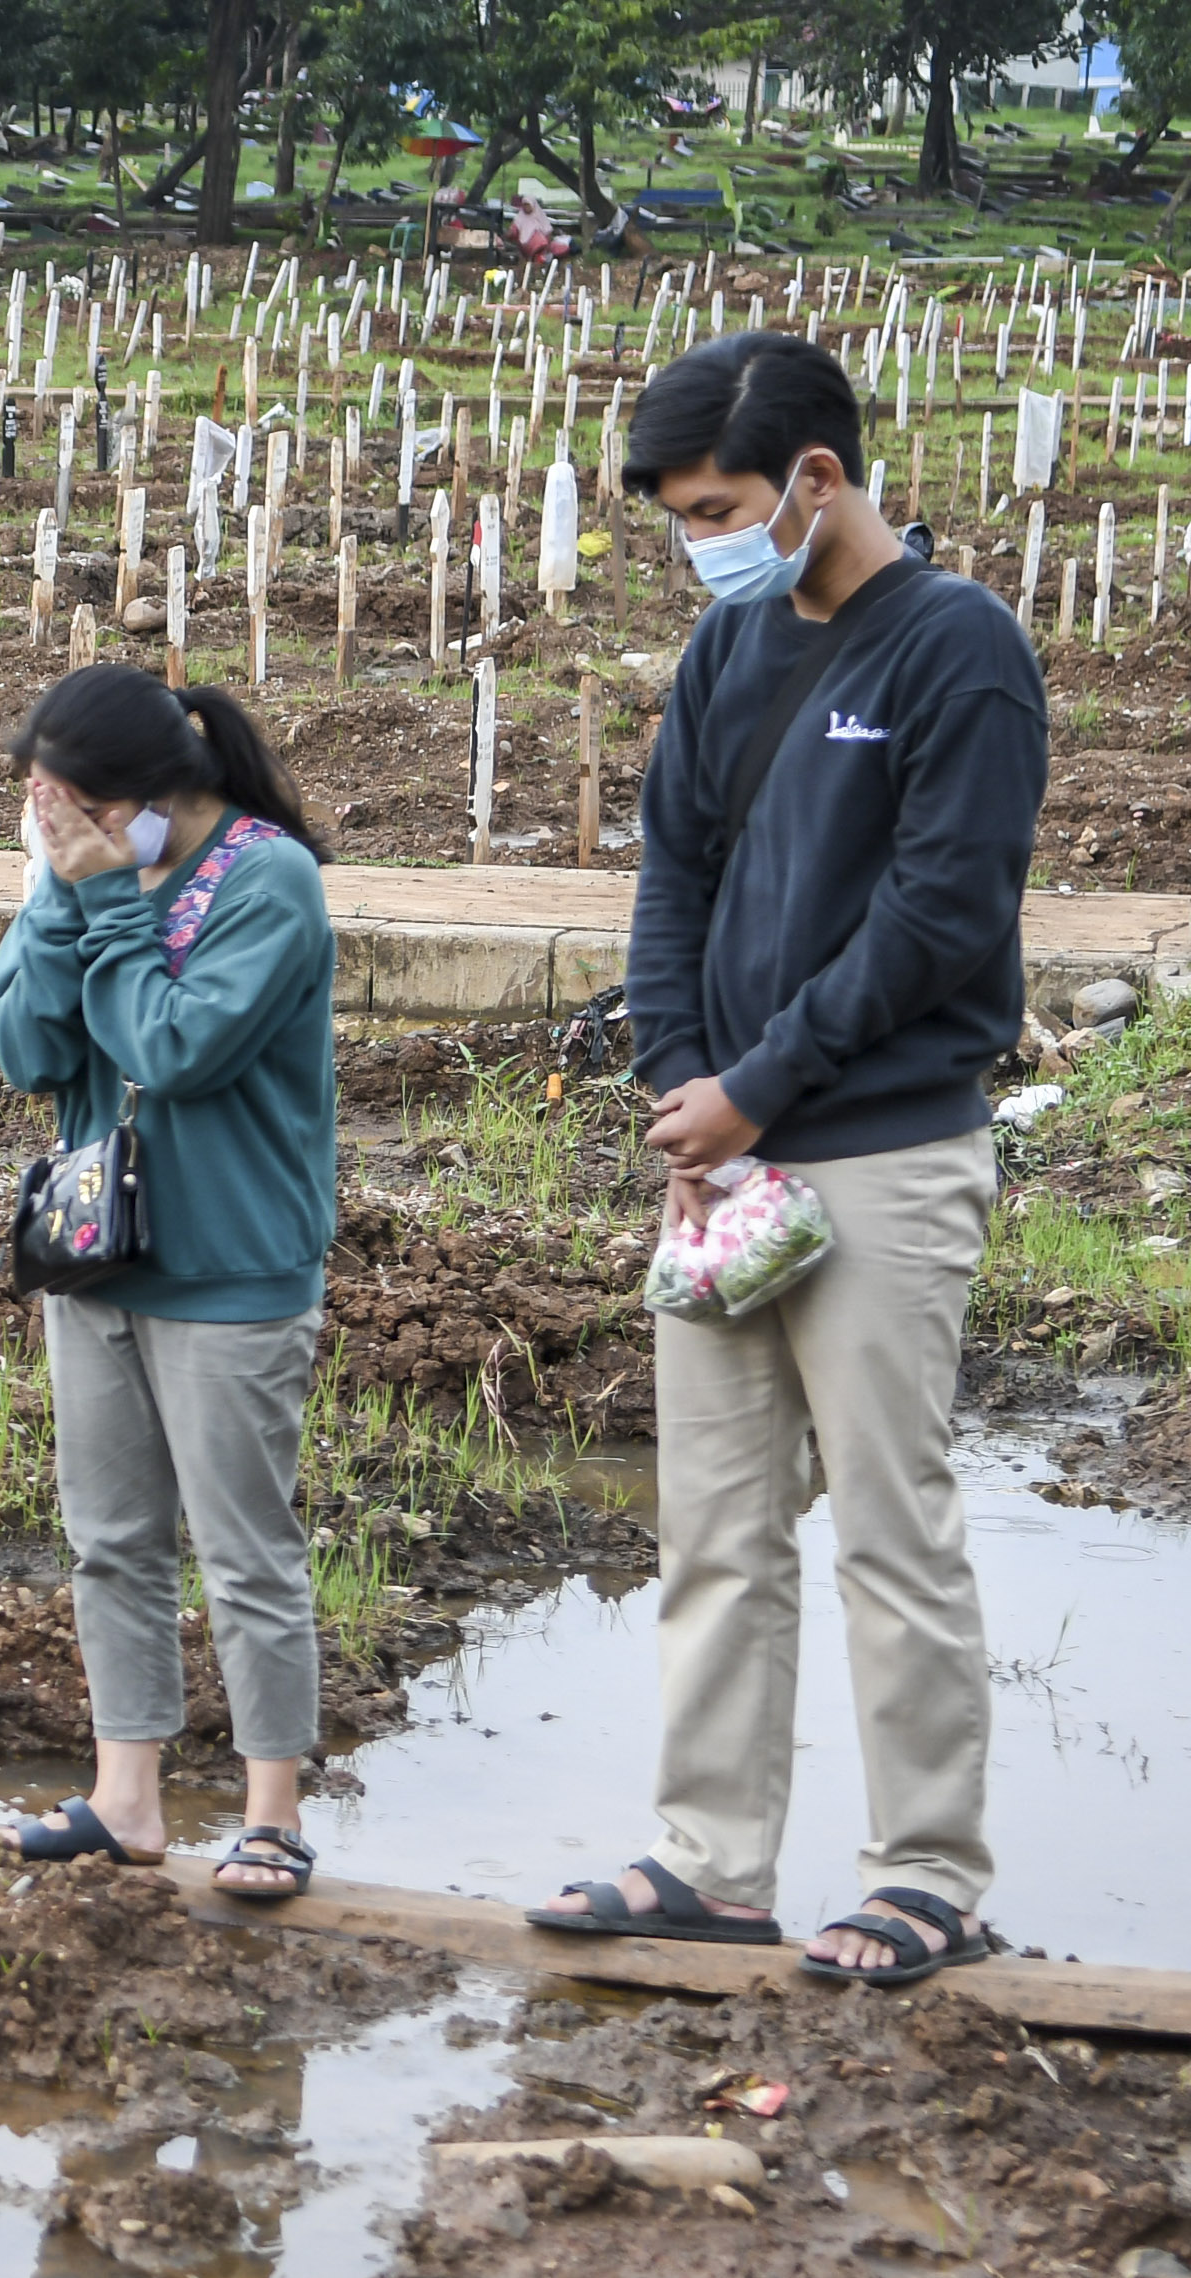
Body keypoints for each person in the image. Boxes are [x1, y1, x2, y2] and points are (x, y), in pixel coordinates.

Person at [528, 329, 1041, 1986]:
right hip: (721, 1160)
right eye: (681, 516)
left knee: (892, 1527)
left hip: (880, 1148)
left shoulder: (957, 652)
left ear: (819, 481)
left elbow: (942, 916)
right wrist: (680, 1082)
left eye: (723, 506)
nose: (705, 543)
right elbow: (669, 874)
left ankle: (926, 1875)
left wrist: (763, 1081)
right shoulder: (728, 652)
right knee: (716, 1527)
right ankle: (709, 1858)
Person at [0, 667, 341, 1897]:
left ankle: (272, 1813)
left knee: (246, 1554)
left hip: (231, 1267)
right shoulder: (78, 880)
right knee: (111, 1541)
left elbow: (171, 1049)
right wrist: (61, 906)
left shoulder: (263, 880)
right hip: (96, 1258)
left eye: (70, 805)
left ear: (139, 794)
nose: (57, 827)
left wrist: (109, 913)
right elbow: (26, 1045)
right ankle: (124, 1797)